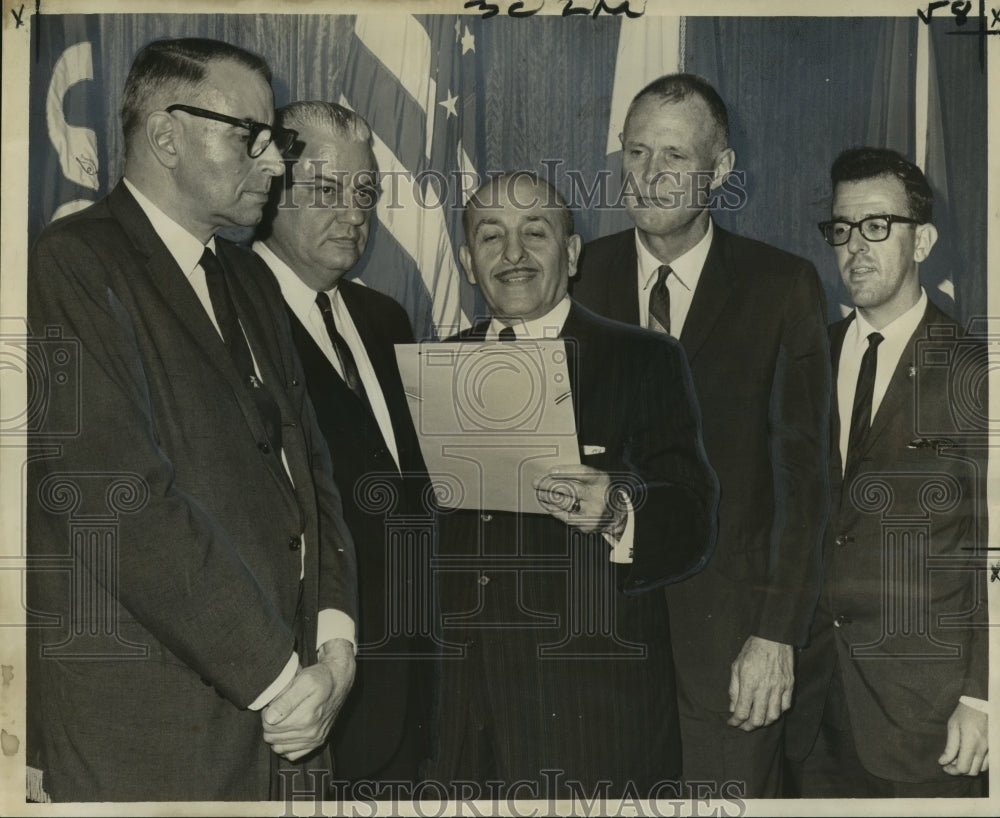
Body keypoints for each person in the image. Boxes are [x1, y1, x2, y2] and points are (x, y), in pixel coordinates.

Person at [26, 38, 358, 802]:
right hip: (156, 733)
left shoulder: (249, 277)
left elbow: (314, 478)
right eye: (251, 137)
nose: (275, 166)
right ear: (166, 136)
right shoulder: (70, 265)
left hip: (291, 721)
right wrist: (282, 681)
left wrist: (335, 651)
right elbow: (119, 499)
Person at [571, 73, 830, 796]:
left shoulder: (782, 288)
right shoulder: (577, 277)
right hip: (599, 637)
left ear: (719, 170)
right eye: (635, 152)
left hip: (731, 643)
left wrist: (776, 634)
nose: (648, 177)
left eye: (674, 158)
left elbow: (803, 484)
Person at [425, 172, 719, 798]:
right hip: (462, 722)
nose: (513, 254)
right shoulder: (435, 367)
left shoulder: (644, 359)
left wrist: (617, 509)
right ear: (466, 262)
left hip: (593, 717)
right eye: (491, 236)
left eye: (536, 232)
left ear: (574, 252)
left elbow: (694, 518)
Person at [784, 147, 989, 797]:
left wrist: (985, 698)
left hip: (928, 719)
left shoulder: (973, 372)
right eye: (841, 229)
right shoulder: (809, 358)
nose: (855, 247)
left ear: (922, 239)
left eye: (878, 226)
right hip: (817, 709)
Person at [253, 101, 434, 789]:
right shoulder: (231, 309)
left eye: (364, 193)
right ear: (272, 190)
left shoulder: (383, 317)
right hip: (306, 692)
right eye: (326, 191)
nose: (353, 214)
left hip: (410, 683)